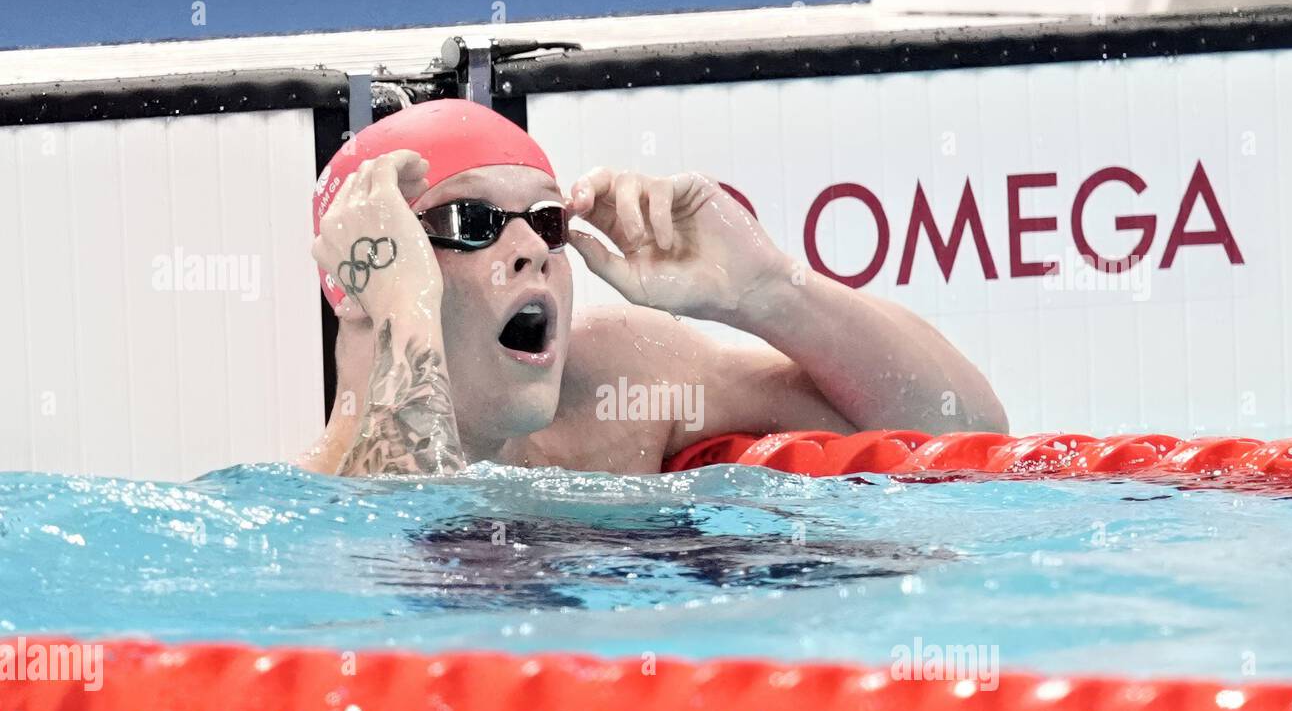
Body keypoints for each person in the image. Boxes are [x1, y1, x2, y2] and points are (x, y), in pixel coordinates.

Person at [297, 100, 1006, 477]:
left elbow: (965, 433)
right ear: (357, 283)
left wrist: (767, 291)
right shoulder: (314, 510)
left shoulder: (616, 388)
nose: (529, 251)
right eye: (471, 221)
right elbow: (408, 570)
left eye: (546, 221)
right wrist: (405, 311)